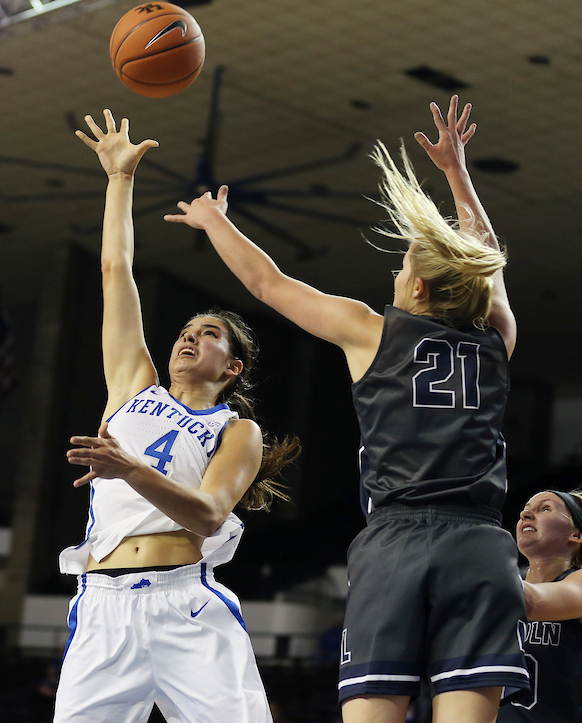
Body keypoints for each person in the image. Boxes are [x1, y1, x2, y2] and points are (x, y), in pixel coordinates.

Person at [167, 95, 528, 723]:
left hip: (398, 541)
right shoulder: (495, 338)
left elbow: (267, 284)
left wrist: (214, 221)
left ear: (416, 288)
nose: (394, 275)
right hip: (479, 544)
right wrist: (457, 175)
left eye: (401, 266)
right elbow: (486, 254)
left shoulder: (373, 332)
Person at [55, 109, 298, 723]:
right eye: (186, 331)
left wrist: (128, 468)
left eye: (209, 334)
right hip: (103, 605)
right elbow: (116, 272)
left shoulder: (236, 431)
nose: (189, 338)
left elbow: (211, 515)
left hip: (184, 604)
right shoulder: (134, 385)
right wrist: (119, 180)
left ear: (234, 367)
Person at [499, 490, 582, 723]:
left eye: (544, 509)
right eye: (525, 509)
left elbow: (530, 603)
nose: (525, 514)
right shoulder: (504, 588)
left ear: (576, 534)